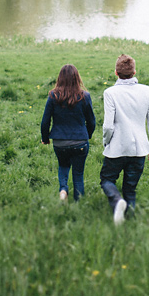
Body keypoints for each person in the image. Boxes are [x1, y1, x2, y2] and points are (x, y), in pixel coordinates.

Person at [100, 54, 149, 225]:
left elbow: (108, 126)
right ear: (134, 72)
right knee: (130, 188)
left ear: (116, 73)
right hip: (140, 149)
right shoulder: (146, 90)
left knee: (107, 179)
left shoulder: (110, 92)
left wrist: (107, 142)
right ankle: (130, 222)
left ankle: (117, 200)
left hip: (117, 148)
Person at [40, 64, 95, 201]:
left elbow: (45, 121)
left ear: (60, 78)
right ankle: (78, 203)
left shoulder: (53, 96)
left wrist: (45, 138)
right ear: (77, 78)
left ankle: (63, 190)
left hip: (59, 141)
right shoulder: (85, 96)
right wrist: (86, 135)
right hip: (80, 141)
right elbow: (92, 122)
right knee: (78, 174)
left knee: (63, 166)